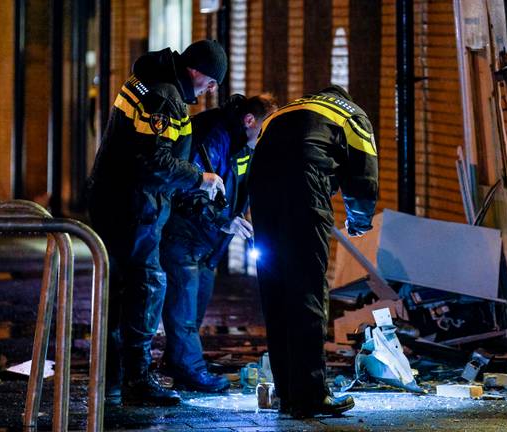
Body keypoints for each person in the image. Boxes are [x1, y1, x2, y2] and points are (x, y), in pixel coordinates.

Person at [87, 40, 228, 406]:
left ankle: (114, 376)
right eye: (211, 81)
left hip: (119, 202)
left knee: (121, 290)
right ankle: (138, 379)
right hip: (135, 207)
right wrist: (201, 178)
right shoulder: (166, 96)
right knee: (146, 285)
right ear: (196, 70)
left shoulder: (150, 81)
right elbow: (153, 163)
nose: (211, 90)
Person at [249, 85, 379, 418]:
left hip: (260, 185)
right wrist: (360, 220)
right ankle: (311, 394)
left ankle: (288, 392)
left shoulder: (287, 110)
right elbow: (364, 171)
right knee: (307, 286)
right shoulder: (352, 115)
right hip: (303, 184)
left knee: (276, 289)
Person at [159, 93, 277, 392]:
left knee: (194, 301)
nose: (264, 138)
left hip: (208, 241)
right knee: (183, 304)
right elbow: (193, 189)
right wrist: (223, 221)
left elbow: (241, 189)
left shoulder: (244, 144)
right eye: (264, 129)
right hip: (185, 231)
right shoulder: (215, 136)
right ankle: (189, 369)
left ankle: (181, 362)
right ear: (249, 120)